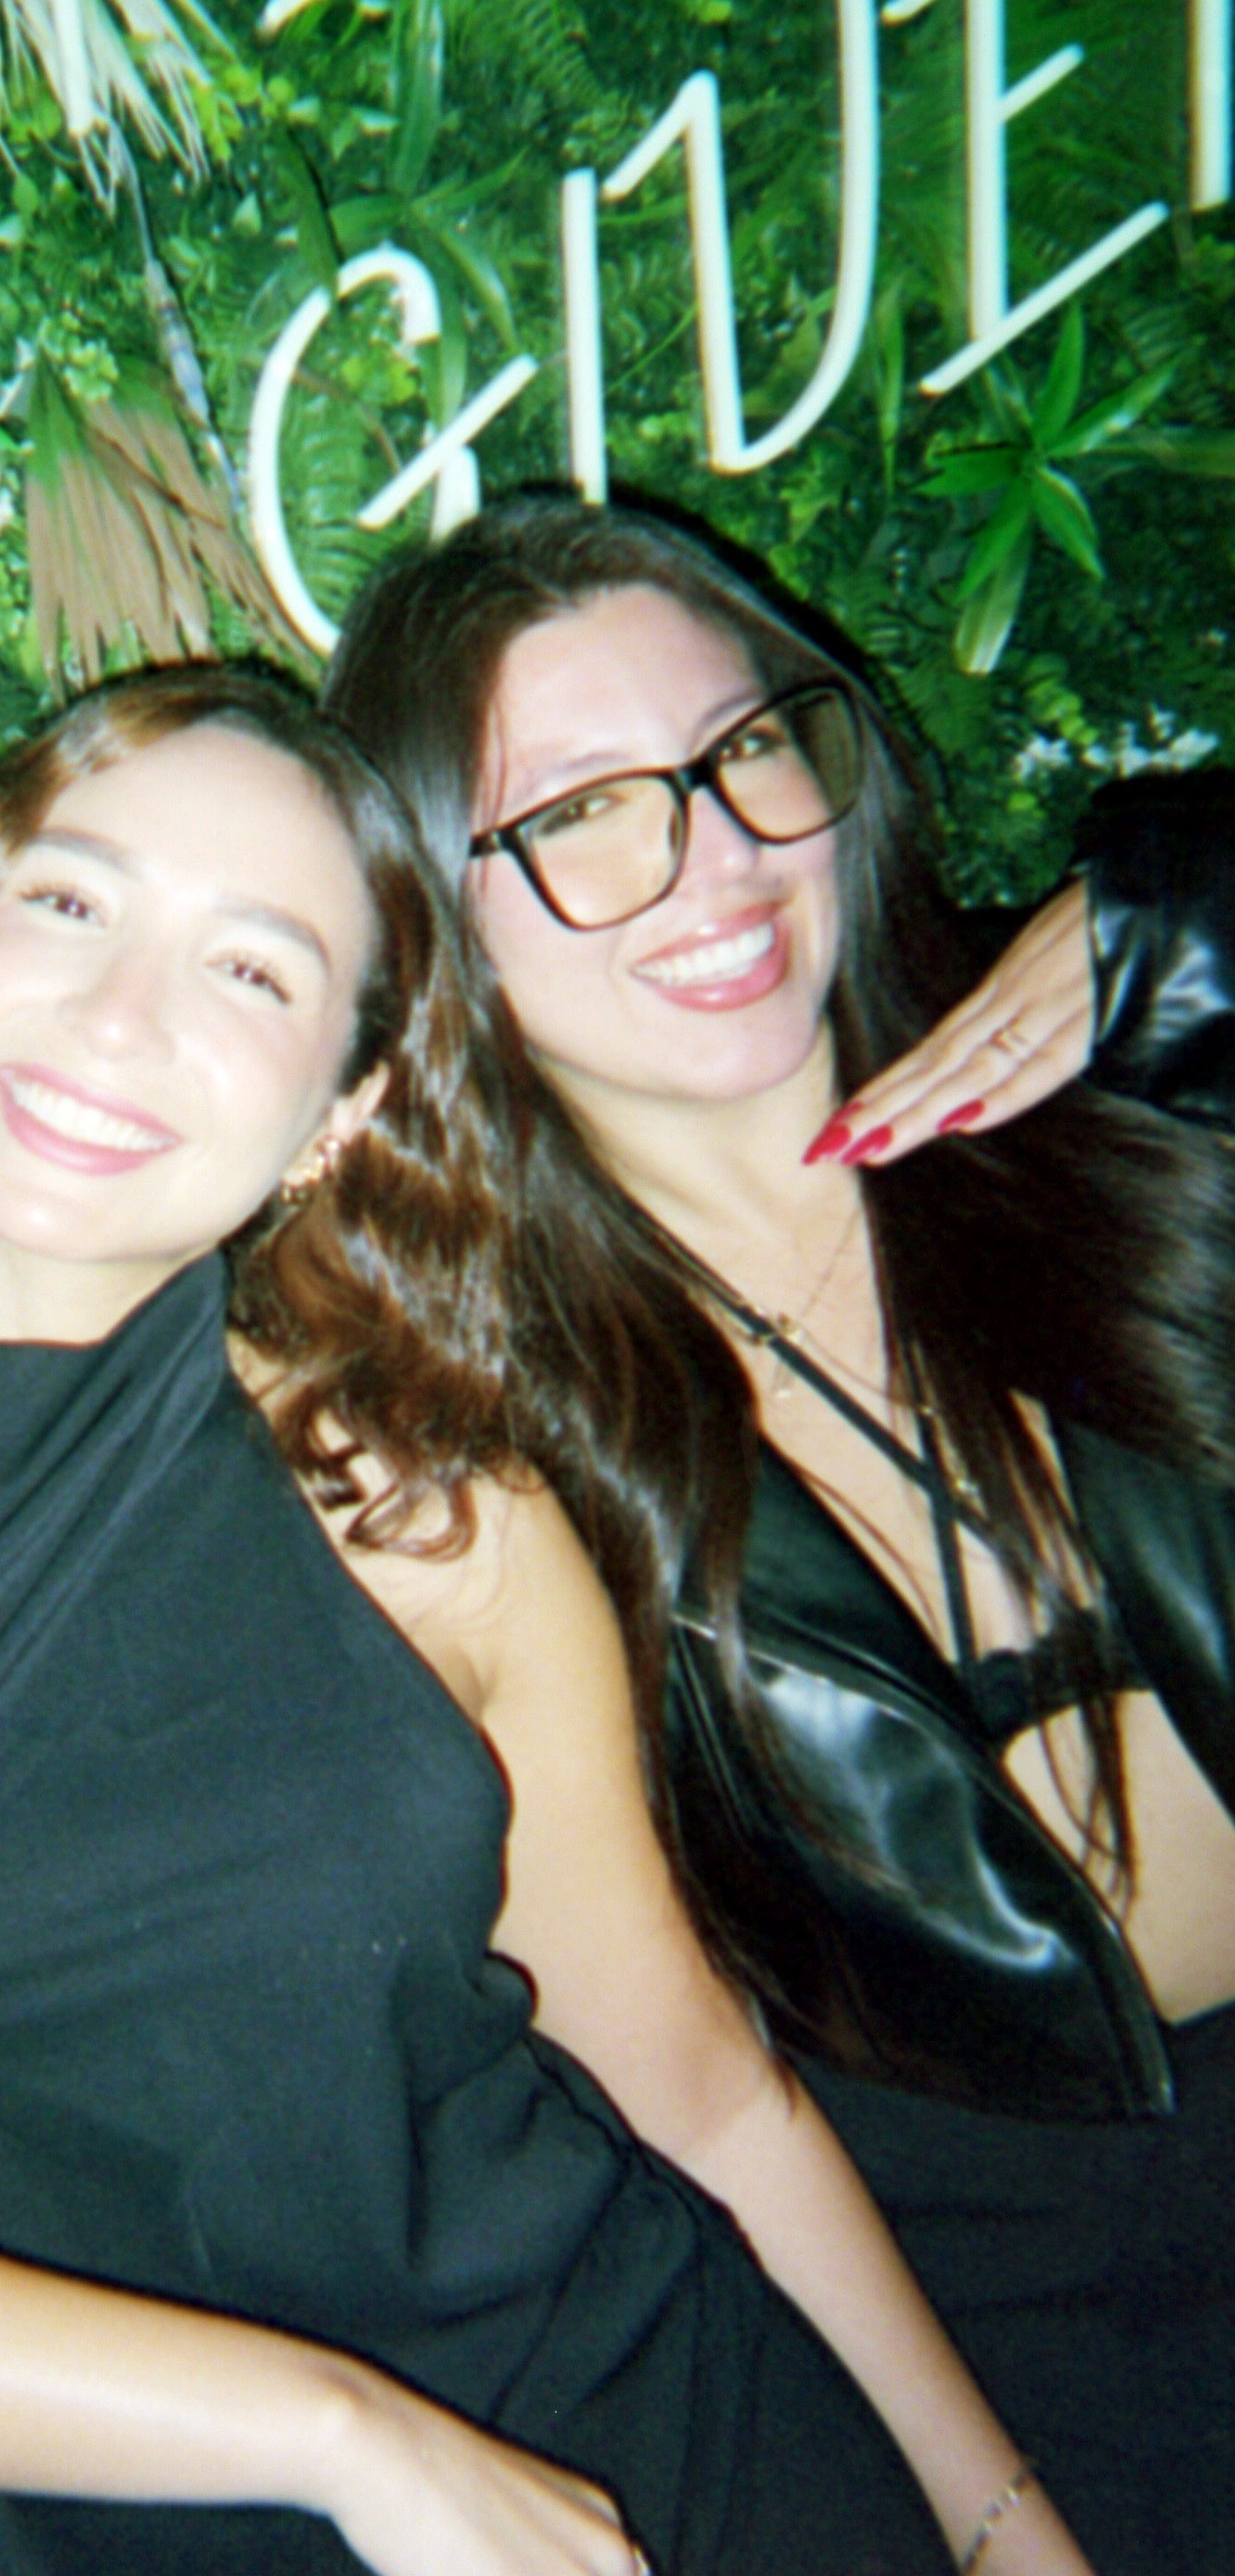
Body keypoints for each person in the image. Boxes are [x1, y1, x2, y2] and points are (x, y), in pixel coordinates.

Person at [0, 664, 1068, 2576]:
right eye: (67, 903)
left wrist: (994, 2528)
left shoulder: (421, 1507)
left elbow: (701, 2095)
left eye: (252, 972)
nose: (121, 1015)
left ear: (336, 1115)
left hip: (679, 2468)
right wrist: (344, 2441)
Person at [325, 494, 1235, 2576]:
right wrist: (988, 2520)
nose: (717, 858)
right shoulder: (478, 1443)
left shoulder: (1139, 1125)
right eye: (581, 815)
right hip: (1002, 2328)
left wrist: (1191, 914)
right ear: (435, 919)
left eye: (747, 754)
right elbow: (678, 2090)